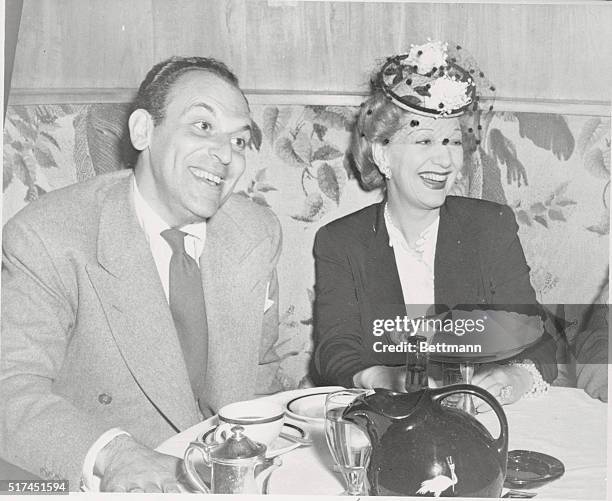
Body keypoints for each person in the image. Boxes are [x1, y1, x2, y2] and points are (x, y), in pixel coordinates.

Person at [0, 56, 282, 492]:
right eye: (203, 127)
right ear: (143, 131)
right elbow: (9, 390)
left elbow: (261, 370)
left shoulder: (256, 232)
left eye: (240, 141)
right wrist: (113, 454)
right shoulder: (47, 236)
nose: (226, 155)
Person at [312, 40, 556, 406]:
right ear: (382, 154)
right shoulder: (341, 242)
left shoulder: (491, 228)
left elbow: (539, 341)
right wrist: (387, 378)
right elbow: (335, 349)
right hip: (388, 423)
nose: (445, 160)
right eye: (424, 140)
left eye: (453, 142)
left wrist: (510, 378)